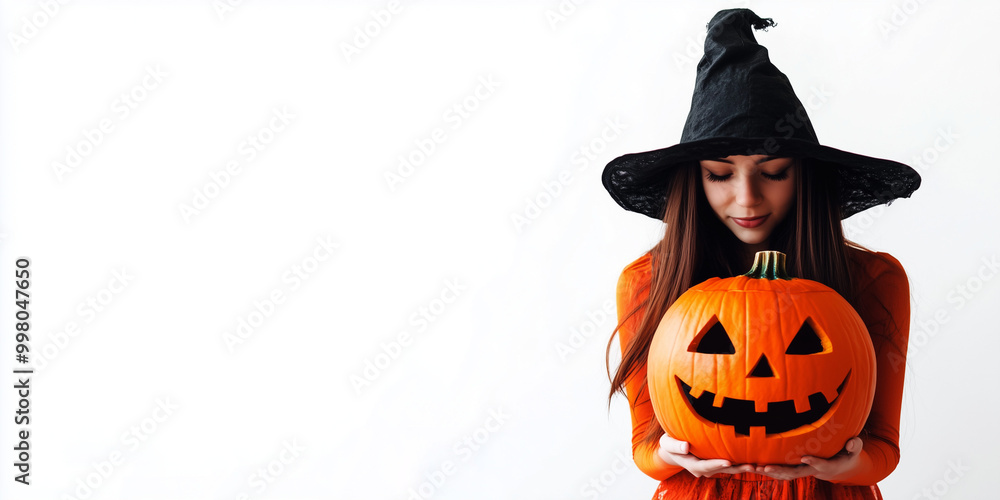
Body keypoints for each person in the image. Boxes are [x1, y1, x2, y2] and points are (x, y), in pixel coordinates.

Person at [601, 9, 919, 500]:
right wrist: (669, 455)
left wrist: (840, 465)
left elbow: (883, 449)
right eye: (719, 174)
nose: (747, 199)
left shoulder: (874, 278)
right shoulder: (647, 280)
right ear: (694, 180)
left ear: (803, 176)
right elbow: (646, 447)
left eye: (773, 172)